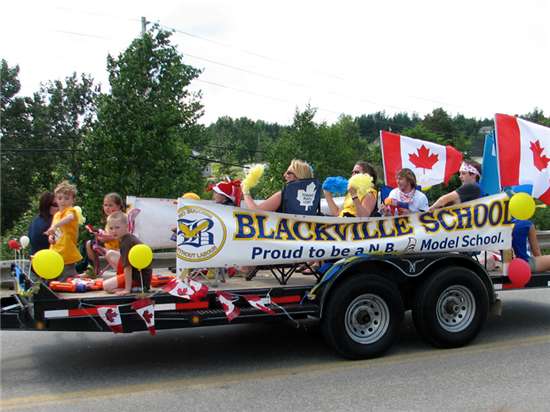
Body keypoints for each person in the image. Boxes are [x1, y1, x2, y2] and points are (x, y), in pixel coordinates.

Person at [243, 159, 320, 214]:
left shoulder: (284, 194)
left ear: (298, 176)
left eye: (289, 173)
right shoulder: (314, 195)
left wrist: (245, 191)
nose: (284, 175)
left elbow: (256, 211)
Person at [103, 212, 152, 295]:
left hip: (138, 278)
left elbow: (128, 267)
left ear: (127, 226)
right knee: (110, 254)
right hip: (136, 271)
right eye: (111, 228)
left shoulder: (126, 242)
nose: (114, 231)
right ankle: (122, 279)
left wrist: (127, 289)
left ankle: (132, 287)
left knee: (106, 286)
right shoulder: (127, 238)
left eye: (117, 227)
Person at [45, 181, 83, 280]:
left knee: (67, 275)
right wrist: (50, 237)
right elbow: (53, 229)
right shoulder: (57, 215)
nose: (63, 201)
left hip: (67, 250)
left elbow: (69, 218)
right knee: (53, 276)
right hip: (56, 250)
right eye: (60, 198)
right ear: (56, 199)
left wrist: (55, 226)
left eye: (67, 198)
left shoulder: (71, 211)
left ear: (73, 200)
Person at [85, 193, 125, 275]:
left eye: (110, 205)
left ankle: (94, 270)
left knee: (93, 244)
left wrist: (105, 237)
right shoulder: (110, 218)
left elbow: (121, 235)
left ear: (119, 206)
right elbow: (108, 234)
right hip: (109, 244)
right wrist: (100, 234)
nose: (107, 208)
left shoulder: (121, 217)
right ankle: (94, 269)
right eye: (105, 205)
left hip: (119, 247)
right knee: (89, 243)